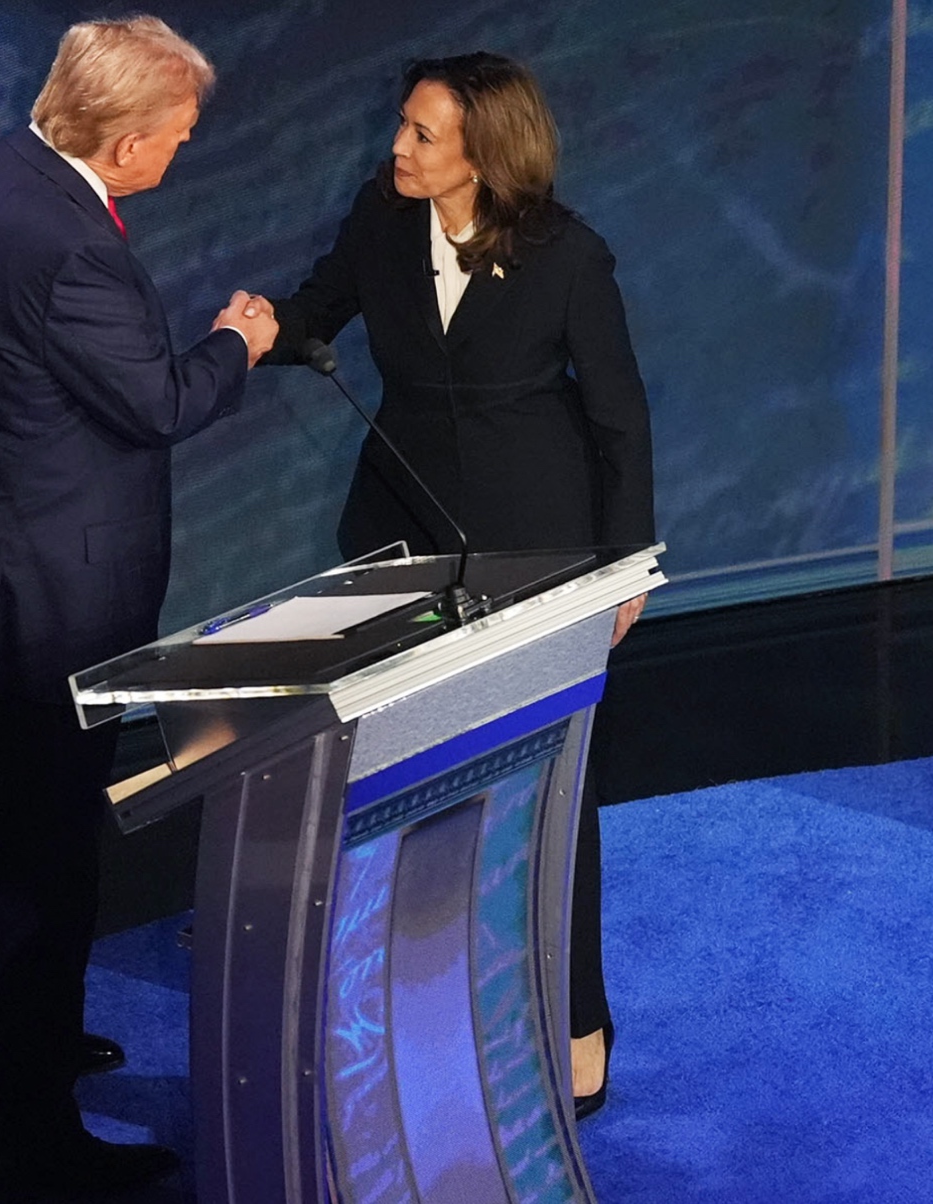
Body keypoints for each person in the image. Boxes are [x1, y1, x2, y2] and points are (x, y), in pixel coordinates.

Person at [0, 16, 276, 1200]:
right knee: (50, 868)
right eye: (174, 136)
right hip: (47, 601)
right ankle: (29, 1150)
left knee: (18, 813)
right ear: (118, 145)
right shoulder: (72, 250)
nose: (180, 151)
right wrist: (236, 342)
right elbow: (155, 401)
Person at [264, 51, 653, 1120]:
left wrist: (626, 568)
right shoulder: (381, 219)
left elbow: (619, 420)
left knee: (550, 796)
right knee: (407, 786)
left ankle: (578, 1024)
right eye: (402, 125)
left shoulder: (569, 257)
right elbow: (319, 312)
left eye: (422, 134)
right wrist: (256, 335)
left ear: (481, 152)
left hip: (540, 552)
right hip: (401, 543)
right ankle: (412, 1018)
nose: (398, 147)